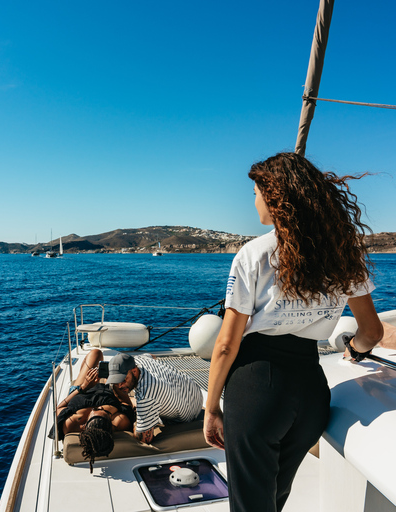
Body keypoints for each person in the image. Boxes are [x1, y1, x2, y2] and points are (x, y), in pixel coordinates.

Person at [203, 152, 384, 512]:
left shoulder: (254, 254)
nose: (253, 201)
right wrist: (354, 351)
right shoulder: (343, 255)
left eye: (255, 192)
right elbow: (372, 331)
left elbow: (226, 345)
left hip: (257, 389)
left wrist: (210, 409)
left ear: (274, 197)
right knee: (274, 499)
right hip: (311, 393)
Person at [128, 353, 203, 444]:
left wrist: (136, 424)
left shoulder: (147, 394)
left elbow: (144, 439)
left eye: (123, 380)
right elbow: (152, 356)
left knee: (143, 412)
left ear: (134, 371)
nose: (120, 385)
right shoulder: (138, 359)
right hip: (195, 393)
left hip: (187, 415)